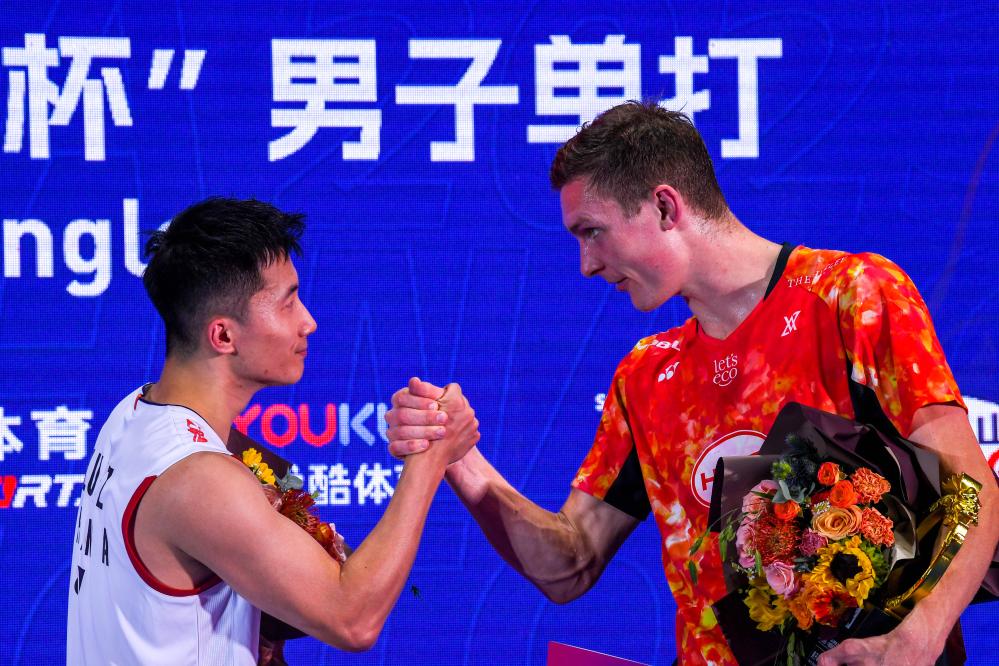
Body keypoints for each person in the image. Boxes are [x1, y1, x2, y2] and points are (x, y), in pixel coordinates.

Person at [385, 101, 998, 665]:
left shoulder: (850, 297)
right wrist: (458, 456)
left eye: (591, 231)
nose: (587, 264)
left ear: (664, 207)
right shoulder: (646, 375)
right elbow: (570, 562)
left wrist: (916, 639)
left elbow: (973, 491)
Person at [66, 197, 479, 665]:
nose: (309, 322)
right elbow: (353, 619)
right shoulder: (201, 481)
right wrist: (430, 451)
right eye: (288, 303)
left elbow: (262, 483)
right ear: (224, 335)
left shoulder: (137, 410)